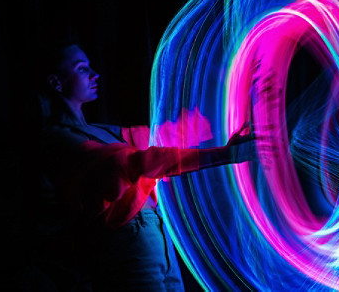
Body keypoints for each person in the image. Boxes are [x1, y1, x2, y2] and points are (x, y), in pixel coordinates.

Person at [29, 43, 255, 291]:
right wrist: (224, 155)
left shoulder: (101, 131)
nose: (95, 74)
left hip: (154, 232)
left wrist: (229, 84)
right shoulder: (57, 138)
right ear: (56, 83)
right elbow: (131, 163)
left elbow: (171, 135)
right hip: (126, 238)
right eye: (82, 69)